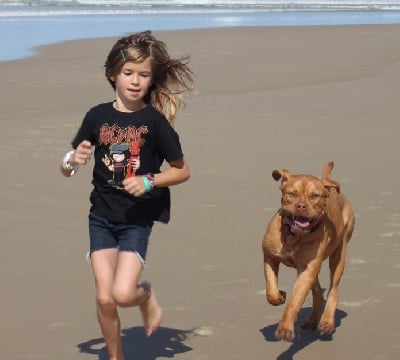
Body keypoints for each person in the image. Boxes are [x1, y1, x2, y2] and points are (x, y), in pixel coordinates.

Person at [60, 30, 194, 360]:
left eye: (143, 75)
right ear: (113, 74)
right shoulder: (96, 116)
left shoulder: (155, 123)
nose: (135, 81)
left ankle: (145, 297)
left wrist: (149, 181)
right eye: (128, 73)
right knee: (105, 299)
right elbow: (69, 165)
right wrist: (72, 161)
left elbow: (182, 170)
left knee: (122, 293)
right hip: (101, 218)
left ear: (152, 80)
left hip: (136, 220)